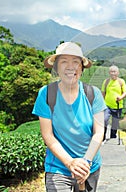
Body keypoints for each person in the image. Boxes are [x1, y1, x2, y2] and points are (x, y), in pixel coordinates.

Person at [32, 42, 107, 192]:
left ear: (82, 68)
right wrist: (69, 163)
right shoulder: (46, 94)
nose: (70, 67)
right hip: (58, 167)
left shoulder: (93, 94)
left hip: (90, 166)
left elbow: (98, 133)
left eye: (75, 62)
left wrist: (85, 163)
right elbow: (48, 135)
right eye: (64, 61)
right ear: (56, 67)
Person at [101, 65, 126, 142]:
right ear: (109, 73)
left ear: (118, 73)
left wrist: (121, 97)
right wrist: (102, 103)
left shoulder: (121, 81)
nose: (113, 73)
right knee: (105, 119)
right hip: (107, 105)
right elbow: (103, 92)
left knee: (115, 123)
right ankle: (103, 137)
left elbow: (125, 92)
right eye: (111, 72)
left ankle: (113, 135)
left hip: (118, 106)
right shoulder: (106, 81)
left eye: (114, 71)